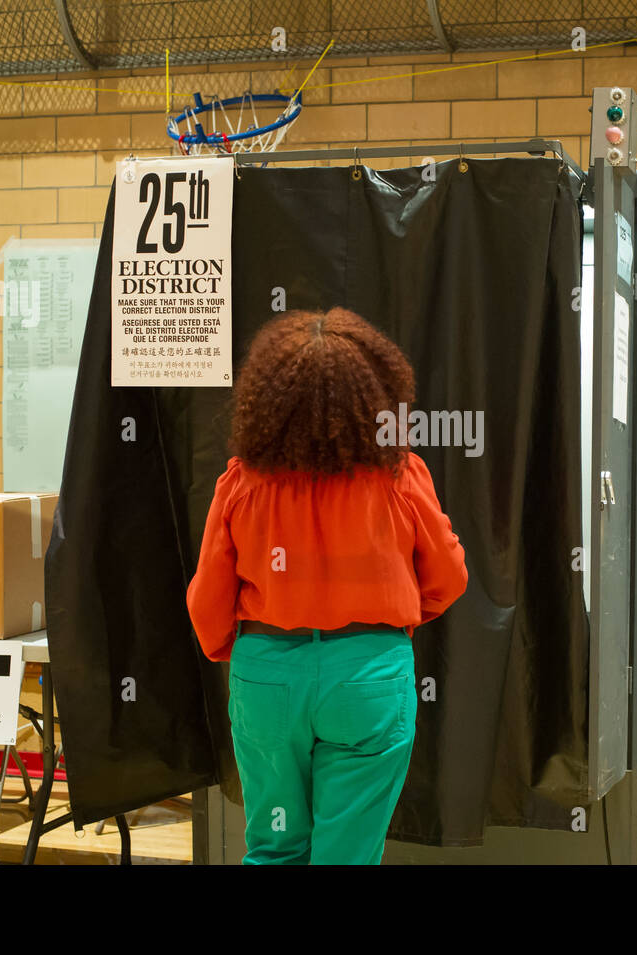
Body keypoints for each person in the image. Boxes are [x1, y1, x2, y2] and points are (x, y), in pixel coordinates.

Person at [186, 307, 468, 865]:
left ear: (267, 399)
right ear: (376, 393)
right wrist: (393, 622)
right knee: (347, 855)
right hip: (365, 678)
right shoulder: (400, 477)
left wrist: (237, 650)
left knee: (272, 847)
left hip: (266, 677)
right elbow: (449, 577)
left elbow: (206, 596)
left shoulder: (241, 482)